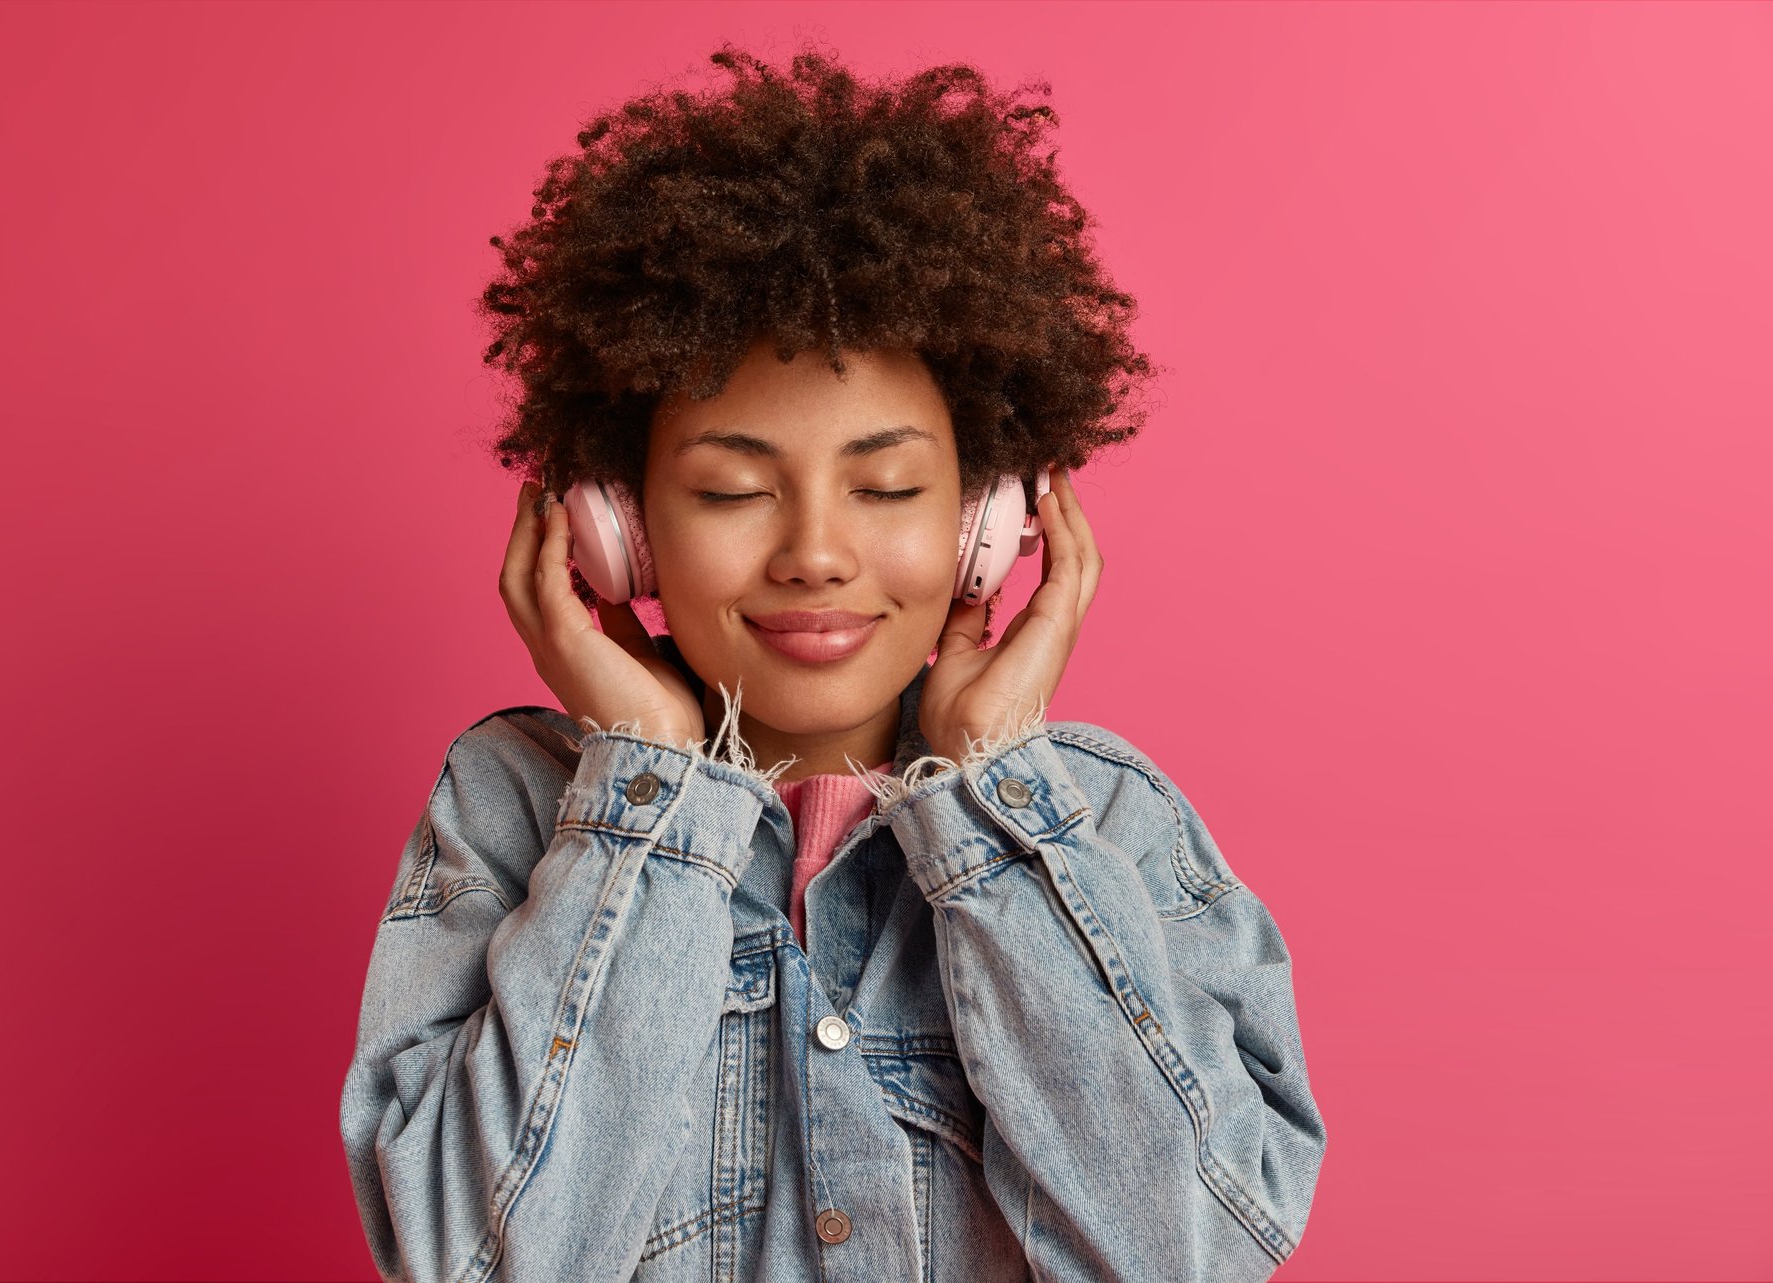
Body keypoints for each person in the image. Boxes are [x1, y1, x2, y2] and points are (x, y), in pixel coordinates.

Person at [339, 43, 1325, 1282]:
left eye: (889, 485)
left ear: (990, 516)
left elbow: (1192, 1247)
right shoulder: (511, 813)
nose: (815, 551)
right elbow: (485, 1261)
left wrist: (991, 802)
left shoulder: (1103, 819)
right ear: (617, 522)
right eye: (733, 487)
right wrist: (651, 791)